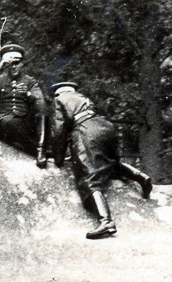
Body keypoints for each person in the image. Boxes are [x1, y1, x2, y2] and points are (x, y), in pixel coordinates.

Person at [49, 81, 152, 239]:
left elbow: (58, 132)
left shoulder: (59, 100)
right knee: (109, 163)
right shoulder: (84, 99)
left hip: (85, 131)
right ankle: (141, 177)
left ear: (57, 93)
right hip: (106, 127)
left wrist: (58, 158)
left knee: (88, 178)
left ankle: (106, 222)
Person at [0, 44, 48, 167]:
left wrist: (27, 94)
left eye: (17, 63)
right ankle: (35, 150)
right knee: (7, 122)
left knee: (41, 108)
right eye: (10, 64)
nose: (14, 66)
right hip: (2, 122)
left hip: (22, 123)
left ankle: (41, 149)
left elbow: (40, 103)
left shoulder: (30, 81)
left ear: (22, 64)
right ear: (6, 65)